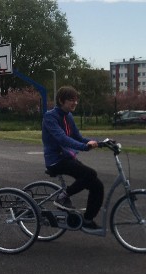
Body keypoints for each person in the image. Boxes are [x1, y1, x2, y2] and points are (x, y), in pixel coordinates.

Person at [42, 86, 104, 233]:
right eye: (71, 100)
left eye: (76, 100)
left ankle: (88, 220)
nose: (75, 102)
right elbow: (62, 138)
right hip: (55, 161)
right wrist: (84, 147)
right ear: (61, 100)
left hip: (66, 157)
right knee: (90, 174)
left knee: (97, 185)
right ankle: (62, 197)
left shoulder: (68, 116)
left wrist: (101, 143)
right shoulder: (50, 117)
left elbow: (78, 137)